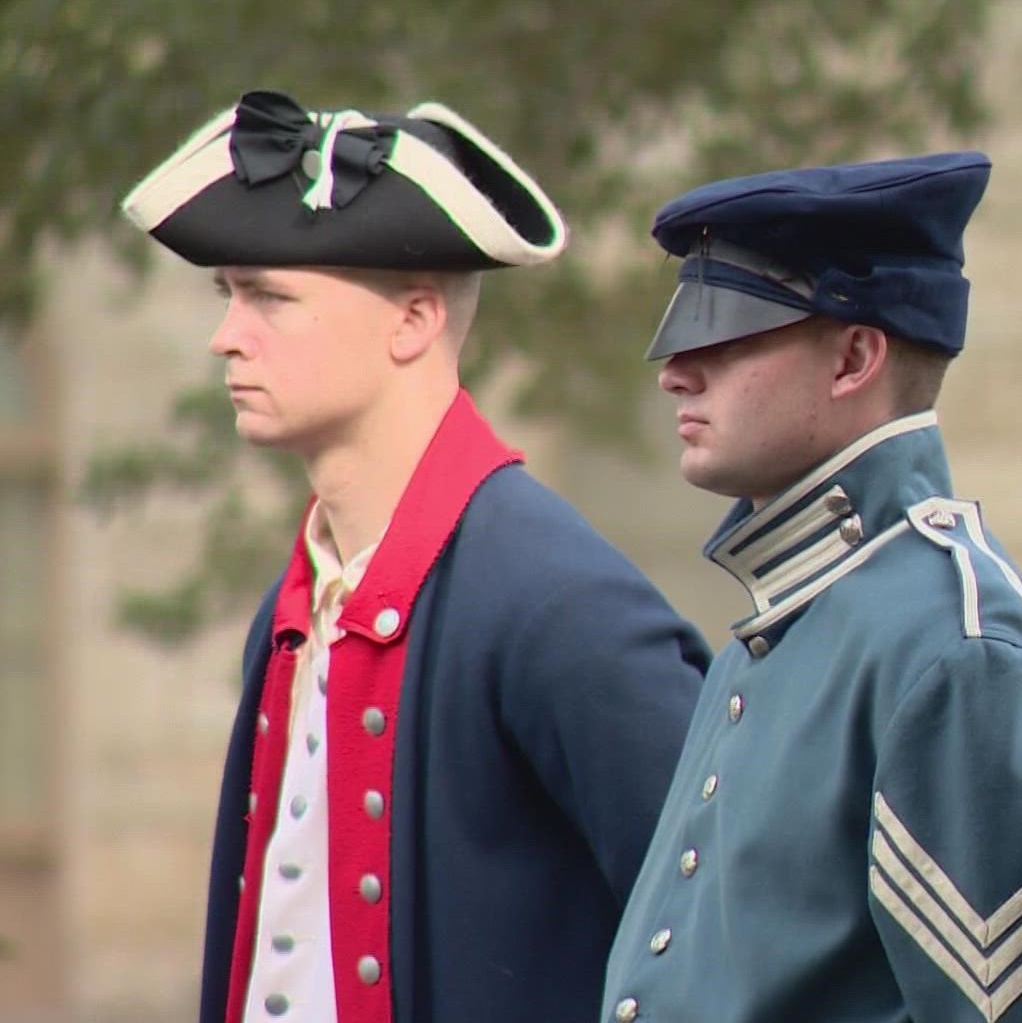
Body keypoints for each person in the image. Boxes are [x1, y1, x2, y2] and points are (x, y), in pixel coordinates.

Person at [120, 89, 709, 1023]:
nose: (226, 335)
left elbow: (725, 934)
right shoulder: (294, 604)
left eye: (271, 296)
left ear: (414, 322)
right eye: (228, 295)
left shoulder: (558, 603)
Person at [600, 152, 1022, 1023]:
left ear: (854, 358)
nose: (676, 372)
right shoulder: (796, 614)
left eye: (725, 335)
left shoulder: (951, 647)